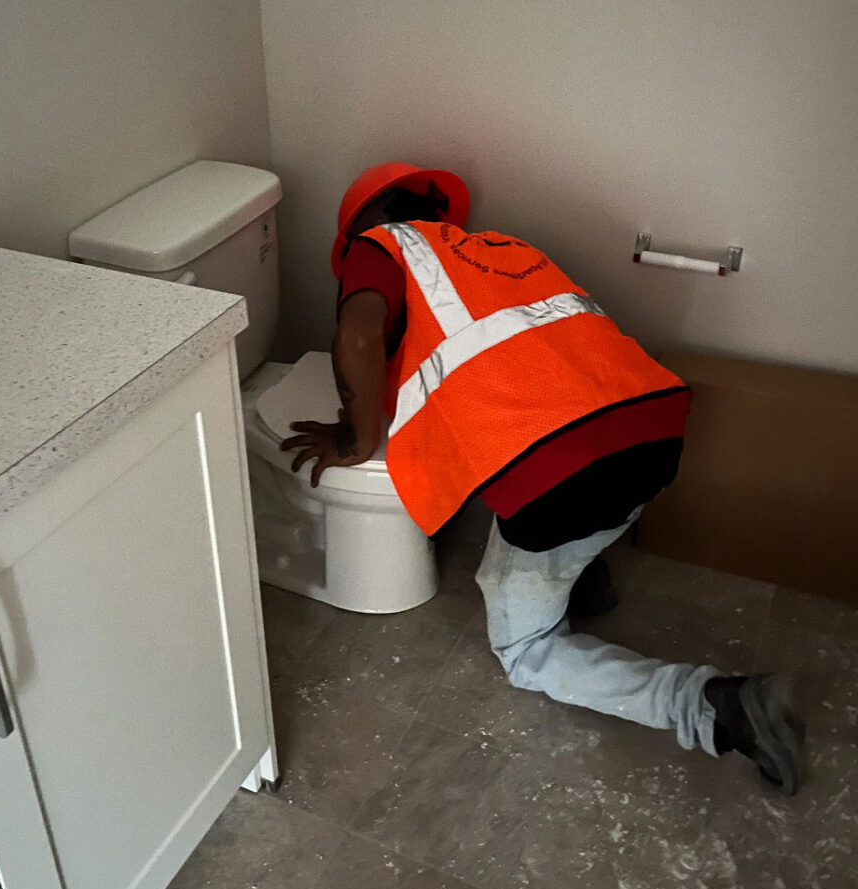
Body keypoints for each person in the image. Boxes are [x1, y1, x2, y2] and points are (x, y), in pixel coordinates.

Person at [280, 162, 807, 795]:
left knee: (526, 655)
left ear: (365, 226)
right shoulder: (502, 249)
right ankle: (583, 578)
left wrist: (355, 436)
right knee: (563, 495)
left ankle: (714, 707)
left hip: (565, 478)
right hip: (653, 429)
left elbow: (359, 340)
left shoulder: (380, 247)